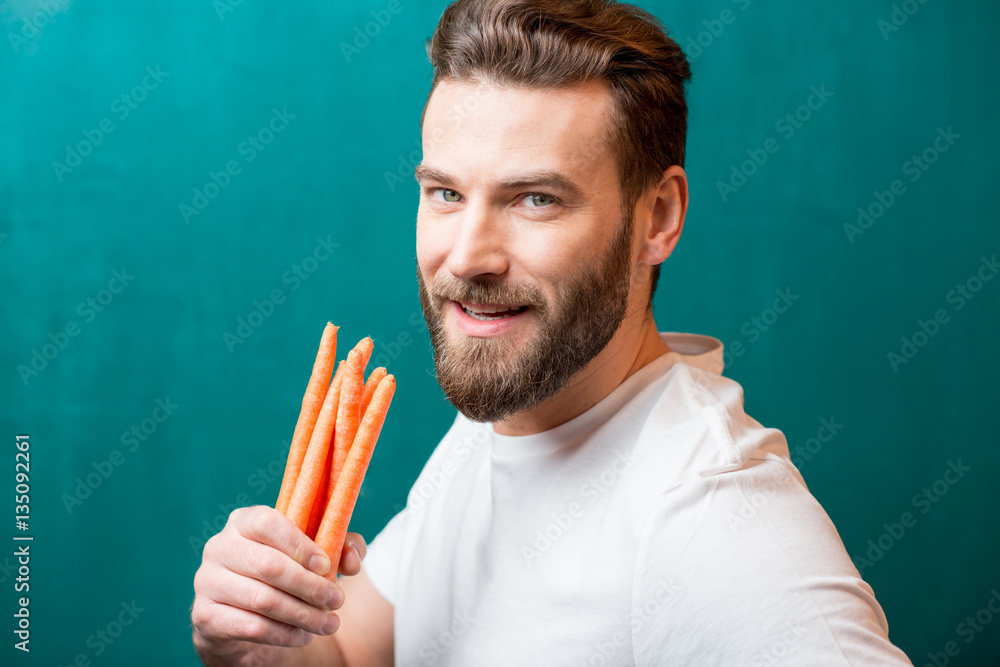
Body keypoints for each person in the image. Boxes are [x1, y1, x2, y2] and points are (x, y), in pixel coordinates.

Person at [191, 1, 914, 664]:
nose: (469, 255)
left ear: (657, 217)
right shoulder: (507, 411)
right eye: (446, 193)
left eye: (535, 199)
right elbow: (357, 650)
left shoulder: (711, 515)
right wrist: (260, 632)